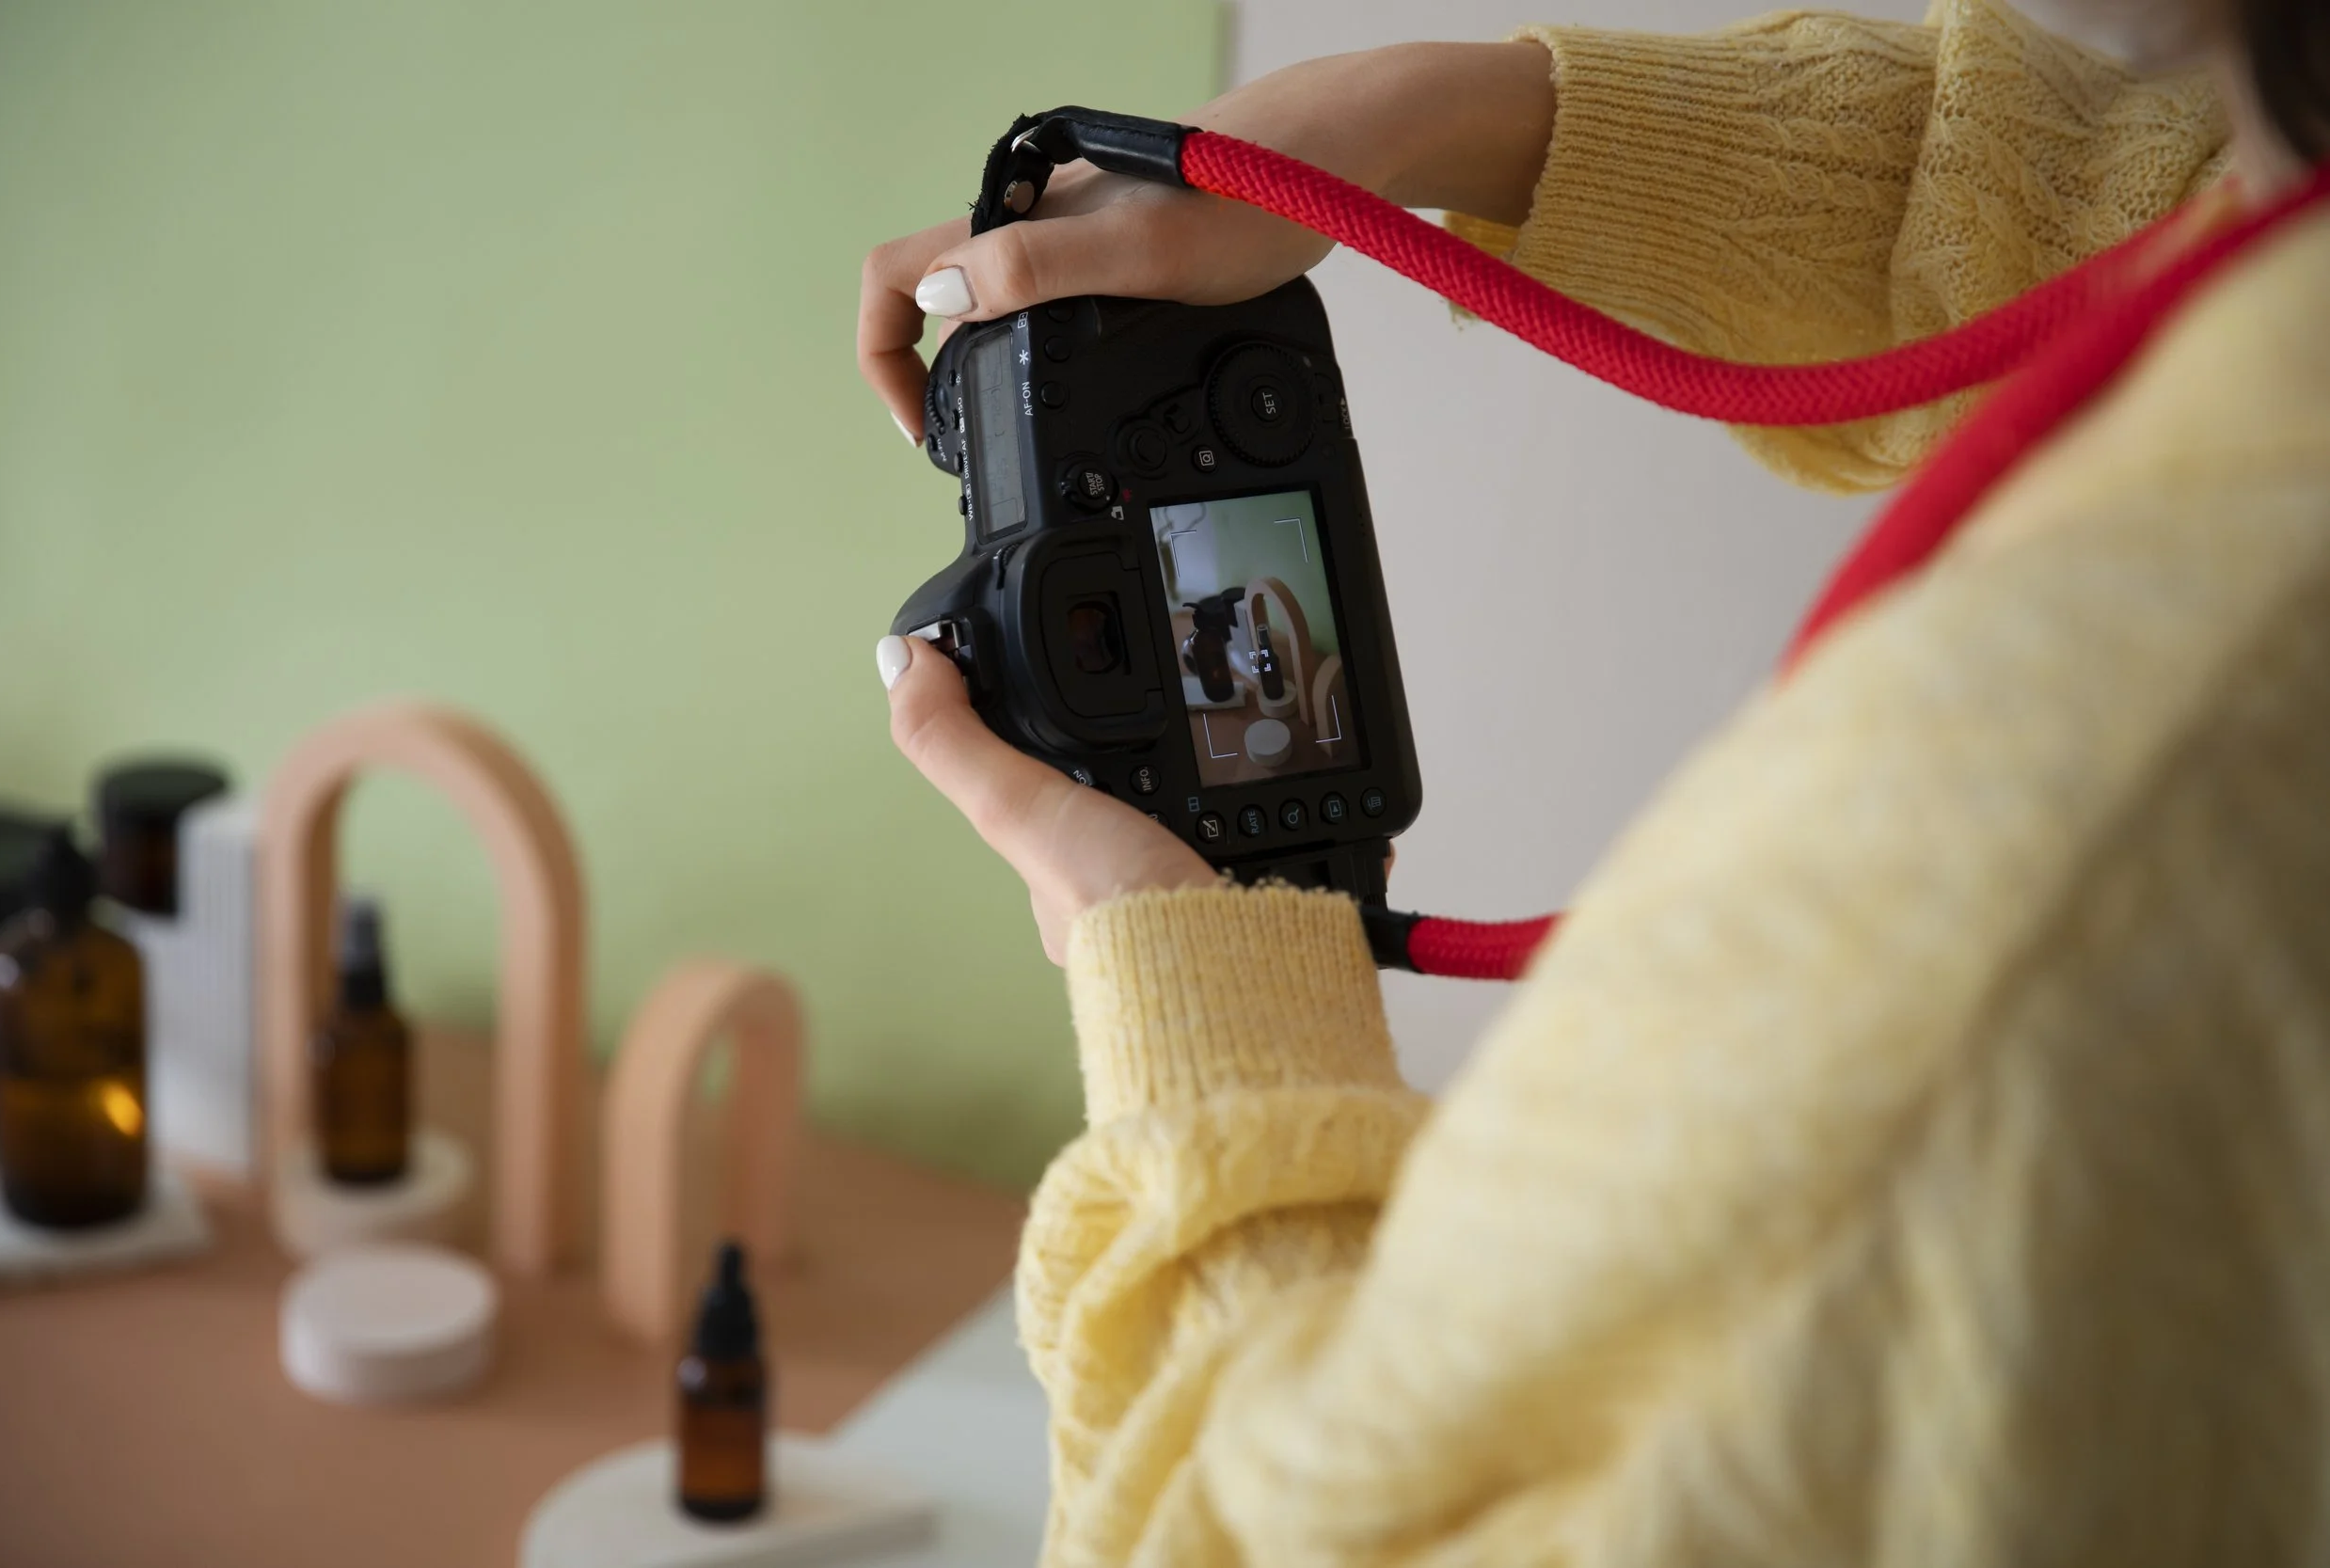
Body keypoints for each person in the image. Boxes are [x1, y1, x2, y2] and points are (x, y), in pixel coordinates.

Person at [858, 0, 2330, 1560]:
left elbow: (1274, 1535)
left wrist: (1185, 990)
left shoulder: (2073, 846)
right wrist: (1416, 118)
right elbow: (2146, 210)